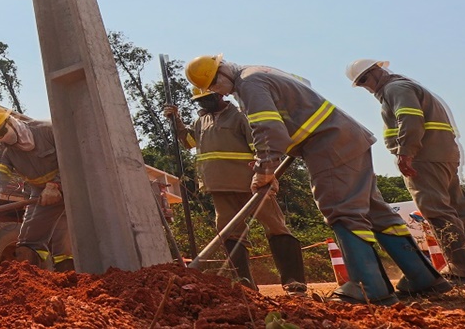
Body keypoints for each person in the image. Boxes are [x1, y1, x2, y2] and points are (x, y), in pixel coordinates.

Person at [185, 54, 451, 305]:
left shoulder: (249, 84)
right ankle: (423, 277)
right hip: (345, 138)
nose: (219, 92)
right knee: (375, 211)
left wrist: (265, 168)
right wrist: (270, 160)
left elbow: (268, 128)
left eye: (215, 85)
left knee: (342, 210)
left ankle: (368, 287)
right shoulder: (261, 72)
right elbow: (301, 91)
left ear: (221, 70)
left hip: (329, 145)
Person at [346, 59, 465, 285]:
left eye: (365, 79)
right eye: (361, 83)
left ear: (376, 71)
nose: (366, 87)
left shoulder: (395, 89)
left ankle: (463, 271)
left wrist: (405, 153)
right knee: (463, 210)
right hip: (441, 154)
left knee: (436, 210)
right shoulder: (404, 86)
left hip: (423, 157)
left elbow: (410, 119)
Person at [165, 88, 307, 293]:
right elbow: (189, 142)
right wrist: (175, 120)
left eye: (207, 98)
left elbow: (261, 148)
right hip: (218, 185)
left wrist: (267, 173)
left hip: (252, 185)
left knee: (276, 227)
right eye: (200, 100)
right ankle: (245, 284)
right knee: (230, 233)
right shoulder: (201, 121)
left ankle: (294, 281)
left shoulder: (241, 117)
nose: (204, 103)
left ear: (219, 95)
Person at [0, 105, 72, 271]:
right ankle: (43, 284)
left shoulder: (47, 130)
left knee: (68, 243)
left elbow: (73, 157)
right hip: (41, 194)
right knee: (29, 246)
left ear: (10, 121)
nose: (1, 138)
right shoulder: (3, 149)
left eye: (2, 132)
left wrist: (56, 184)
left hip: (76, 187)